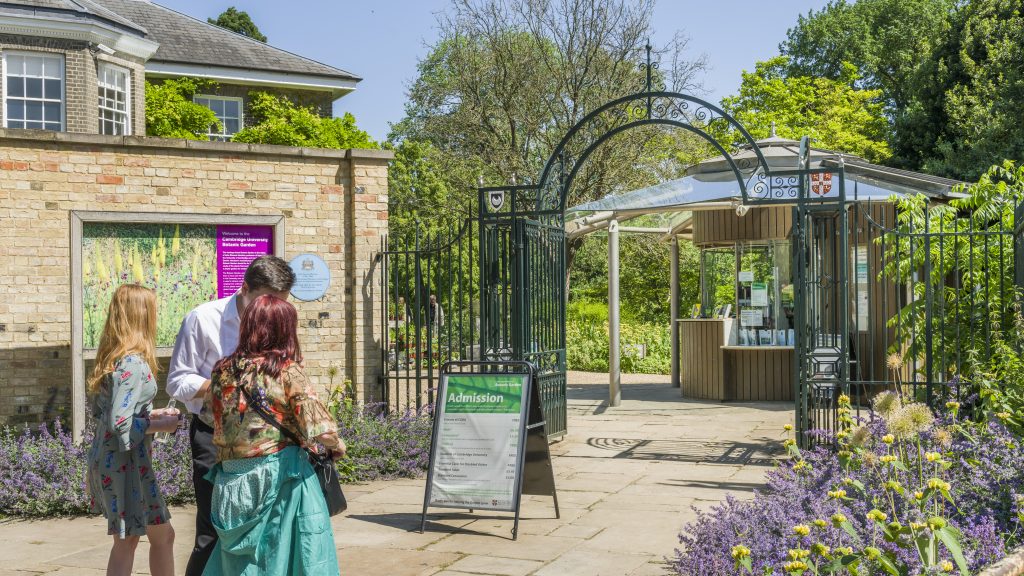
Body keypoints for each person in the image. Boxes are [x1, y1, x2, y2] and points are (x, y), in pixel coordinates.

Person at [167, 255, 296, 576]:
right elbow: (177, 380)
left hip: (265, 442)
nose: (272, 311)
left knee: (262, 532)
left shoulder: (276, 321)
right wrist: (228, 385)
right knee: (214, 529)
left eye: (280, 304)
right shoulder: (202, 319)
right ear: (244, 289)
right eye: (266, 301)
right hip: (213, 436)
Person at [202, 294, 346, 575]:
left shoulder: (222, 371)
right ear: (284, 329)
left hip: (230, 482)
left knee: (241, 565)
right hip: (279, 479)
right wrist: (338, 445)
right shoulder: (286, 372)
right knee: (285, 558)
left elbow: (210, 415)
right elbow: (321, 429)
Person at [86, 284, 182, 576]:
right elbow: (120, 424)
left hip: (118, 460)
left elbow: (110, 413)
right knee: (128, 541)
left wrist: (149, 413)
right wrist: (160, 424)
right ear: (141, 316)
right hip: (126, 463)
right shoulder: (133, 364)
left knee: (161, 536)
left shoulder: (112, 359)